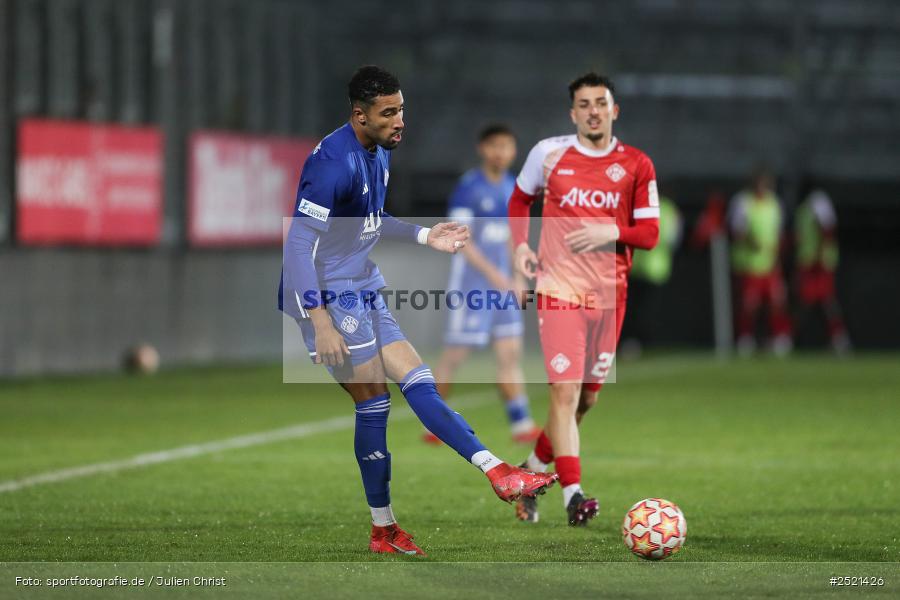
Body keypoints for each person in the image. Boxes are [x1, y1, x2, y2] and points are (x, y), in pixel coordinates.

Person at [278, 66, 557, 556]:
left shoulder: (380, 151)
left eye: (401, 109)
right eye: (388, 113)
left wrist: (427, 235)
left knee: (420, 380)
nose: (399, 120)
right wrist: (318, 319)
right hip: (326, 292)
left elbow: (373, 219)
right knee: (375, 402)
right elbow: (299, 244)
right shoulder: (330, 163)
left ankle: (497, 470)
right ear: (359, 116)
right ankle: (383, 527)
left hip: (362, 283)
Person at [507, 73, 660, 525]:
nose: (593, 110)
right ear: (572, 113)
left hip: (610, 296)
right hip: (558, 288)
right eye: (583, 104)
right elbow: (519, 201)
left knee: (585, 402)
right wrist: (521, 249)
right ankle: (573, 495)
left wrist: (611, 230)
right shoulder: (548, 154)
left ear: (614, 110)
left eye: (601, 102)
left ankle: (531, 472)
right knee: (564, 392)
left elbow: (650, 234)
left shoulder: (636, 165)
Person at [429, 124, 540, 446]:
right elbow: (461, 239)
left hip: (504, 287)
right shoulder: (468, 188)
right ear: (482, 148)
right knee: (455, 355)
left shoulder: (511, 188)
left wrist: (518, 277)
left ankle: (521, 424)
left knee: (510, 353)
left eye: (507, 146)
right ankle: (434, 421)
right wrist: (495, 276)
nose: (501, 152)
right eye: (495, 146)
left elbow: (512, 239)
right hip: (472, 287)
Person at [728, 166, 792, 356]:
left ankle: (779, 338)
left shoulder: (774, 204)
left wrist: (778, 258)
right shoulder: (742, 202)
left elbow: (778, 234)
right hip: (748, 264)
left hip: (769, 264)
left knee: (776, 303)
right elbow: (736, 230)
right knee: (749, 304)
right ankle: (745, 338)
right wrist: (749, 241)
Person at [621, 193, 682, 356]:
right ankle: (638, 342)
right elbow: (674, 238)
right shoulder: (668, 209)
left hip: (642, 266)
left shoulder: (640, 205)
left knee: (636, 309)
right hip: (653, 268)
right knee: (642, 309)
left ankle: (636, 342)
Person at [794, 180, 850, 354]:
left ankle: (839, 337)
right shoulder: (805, 207)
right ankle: (788, 337)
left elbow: (826, 230)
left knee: (823, 300)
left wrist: (819, 255)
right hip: (809, 261)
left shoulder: (818, 201)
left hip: (818, 263)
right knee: (810, 301)